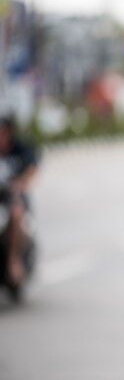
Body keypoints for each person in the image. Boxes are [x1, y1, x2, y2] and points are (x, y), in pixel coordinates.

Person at [0, 115, 38, 286]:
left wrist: (21, 183)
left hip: (15, 198)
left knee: (16, 214)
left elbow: (32, 168)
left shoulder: (20, 149)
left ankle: (14, 261)